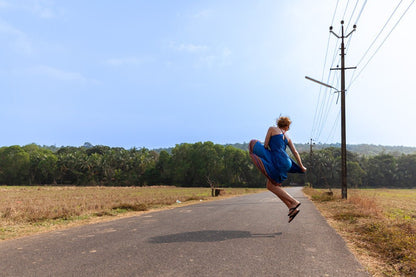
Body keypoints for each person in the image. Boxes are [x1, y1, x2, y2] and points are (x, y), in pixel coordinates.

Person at [249, 116, 307, 223]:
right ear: (287, 126)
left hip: (278, 161)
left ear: (278, 124)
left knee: (252, 144)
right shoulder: (287, 137)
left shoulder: (272, 129)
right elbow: (295, 152)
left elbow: (266, 146)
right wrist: (301, 166)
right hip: (287, 162)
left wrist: (264, 154)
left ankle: (293, 202)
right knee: (271, 186)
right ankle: (291, 208)